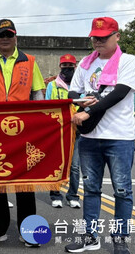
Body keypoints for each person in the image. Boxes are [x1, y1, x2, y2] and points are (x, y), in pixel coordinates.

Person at [65, 17, 135, 254]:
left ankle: (120, 239)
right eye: (94, 38)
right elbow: (73, 91)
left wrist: (87, 111)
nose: (97, 42)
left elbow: (118, 94)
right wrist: (80, 99)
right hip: (90, 138)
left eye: (103, 37)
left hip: (119, 137)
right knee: (91, 190)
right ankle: (90, 236)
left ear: (116, 36)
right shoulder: (85, 64)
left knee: (122, 190)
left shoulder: (129, 62)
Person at [0, 19, 45, 248]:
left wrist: (40, 124)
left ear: (16, 37)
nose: (5, 39)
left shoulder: (30, 61)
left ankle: (29, 232)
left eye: (9, 35)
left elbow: (39, 95)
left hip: (23, 131)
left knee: (25, 184)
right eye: (1, 35)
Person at [46, 54, 81, 209]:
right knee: (56, 164)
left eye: (70, 65)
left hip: (77, 131)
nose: (68, 68)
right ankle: (55, 195)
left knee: (74, 166)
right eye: (65, 65)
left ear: (75, 66)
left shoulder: (80, 86)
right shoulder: (52, 86)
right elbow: (47, 108)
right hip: (58, 132)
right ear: (60, 66)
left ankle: (72, 195)